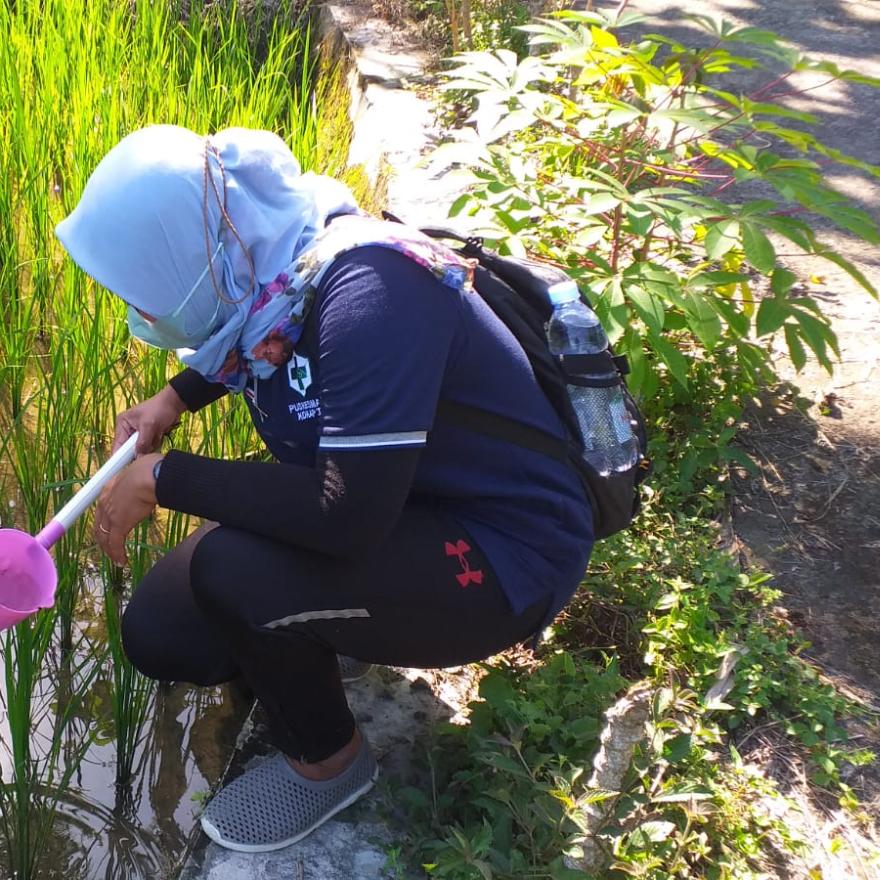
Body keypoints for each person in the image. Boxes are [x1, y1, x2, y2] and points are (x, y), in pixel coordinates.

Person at [54, 125, 594, 853]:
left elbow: (347, 519)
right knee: (162, 632)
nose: (142, 316)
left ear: (201, 257)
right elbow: (254, 339)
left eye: (147, 293)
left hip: (500, 552)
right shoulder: (270, 268)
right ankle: (304, 638)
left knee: (232, 571)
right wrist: (173, 400)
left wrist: (166, 477)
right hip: (397, 506)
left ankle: (329, 763)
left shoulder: (372, 291)